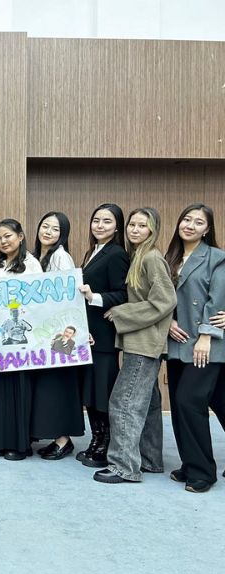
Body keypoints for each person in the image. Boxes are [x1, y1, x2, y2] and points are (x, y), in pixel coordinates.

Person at [94, 207, 176, 484]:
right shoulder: (139, 256)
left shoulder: (151, 258)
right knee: (148, 403)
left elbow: (165, 300)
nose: (135, 229)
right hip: (141, 341)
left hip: (144, 343)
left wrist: (121, 312)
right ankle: (150, 460)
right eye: (132, 224)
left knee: (124, 402)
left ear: (152, 230)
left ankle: (124, 467)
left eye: (142, 225)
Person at [164, 204, 225, 492]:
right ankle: (190, 464)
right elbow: (162, 298)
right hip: (177, 341)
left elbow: (217, 299)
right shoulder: (170, 258)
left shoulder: (216, 257)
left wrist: (206, 336)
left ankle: (203, 471)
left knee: (189, 400)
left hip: (206, 344)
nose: (190, 225)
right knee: (186, 403)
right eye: (186, 219)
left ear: (207, 229)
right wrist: (167, 321)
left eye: (198, 222)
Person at [0, 218, 42, 460]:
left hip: (23, 338)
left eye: (7, 236)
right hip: (0, 337)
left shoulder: (32, 264)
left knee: (19, 386)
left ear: (20, 236)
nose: (3, 241)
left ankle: (19, 445)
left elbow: (39, 300)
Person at [77, 203, 129, 468]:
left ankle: (106, 445)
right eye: (96, 220)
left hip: (104, 335)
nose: (99, 225)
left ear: (117, 226)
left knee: (103, 392)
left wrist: (94, 297)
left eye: (107, 221)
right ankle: (96, 440)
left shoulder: (117, 254)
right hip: (88, 335)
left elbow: (123, 294)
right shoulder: (92, 252)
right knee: (91, 391)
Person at [30, 211, 85, 461]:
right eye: (45, 226)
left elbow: (66, 297)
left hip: (58, 334)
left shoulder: (61, 257)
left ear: (63, 234)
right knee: (46, 386)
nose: (48, 232)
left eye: (55, 229)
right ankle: (56, 437)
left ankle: (64, 440)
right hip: (42, 333)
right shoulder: (36, 257)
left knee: (58, 385)